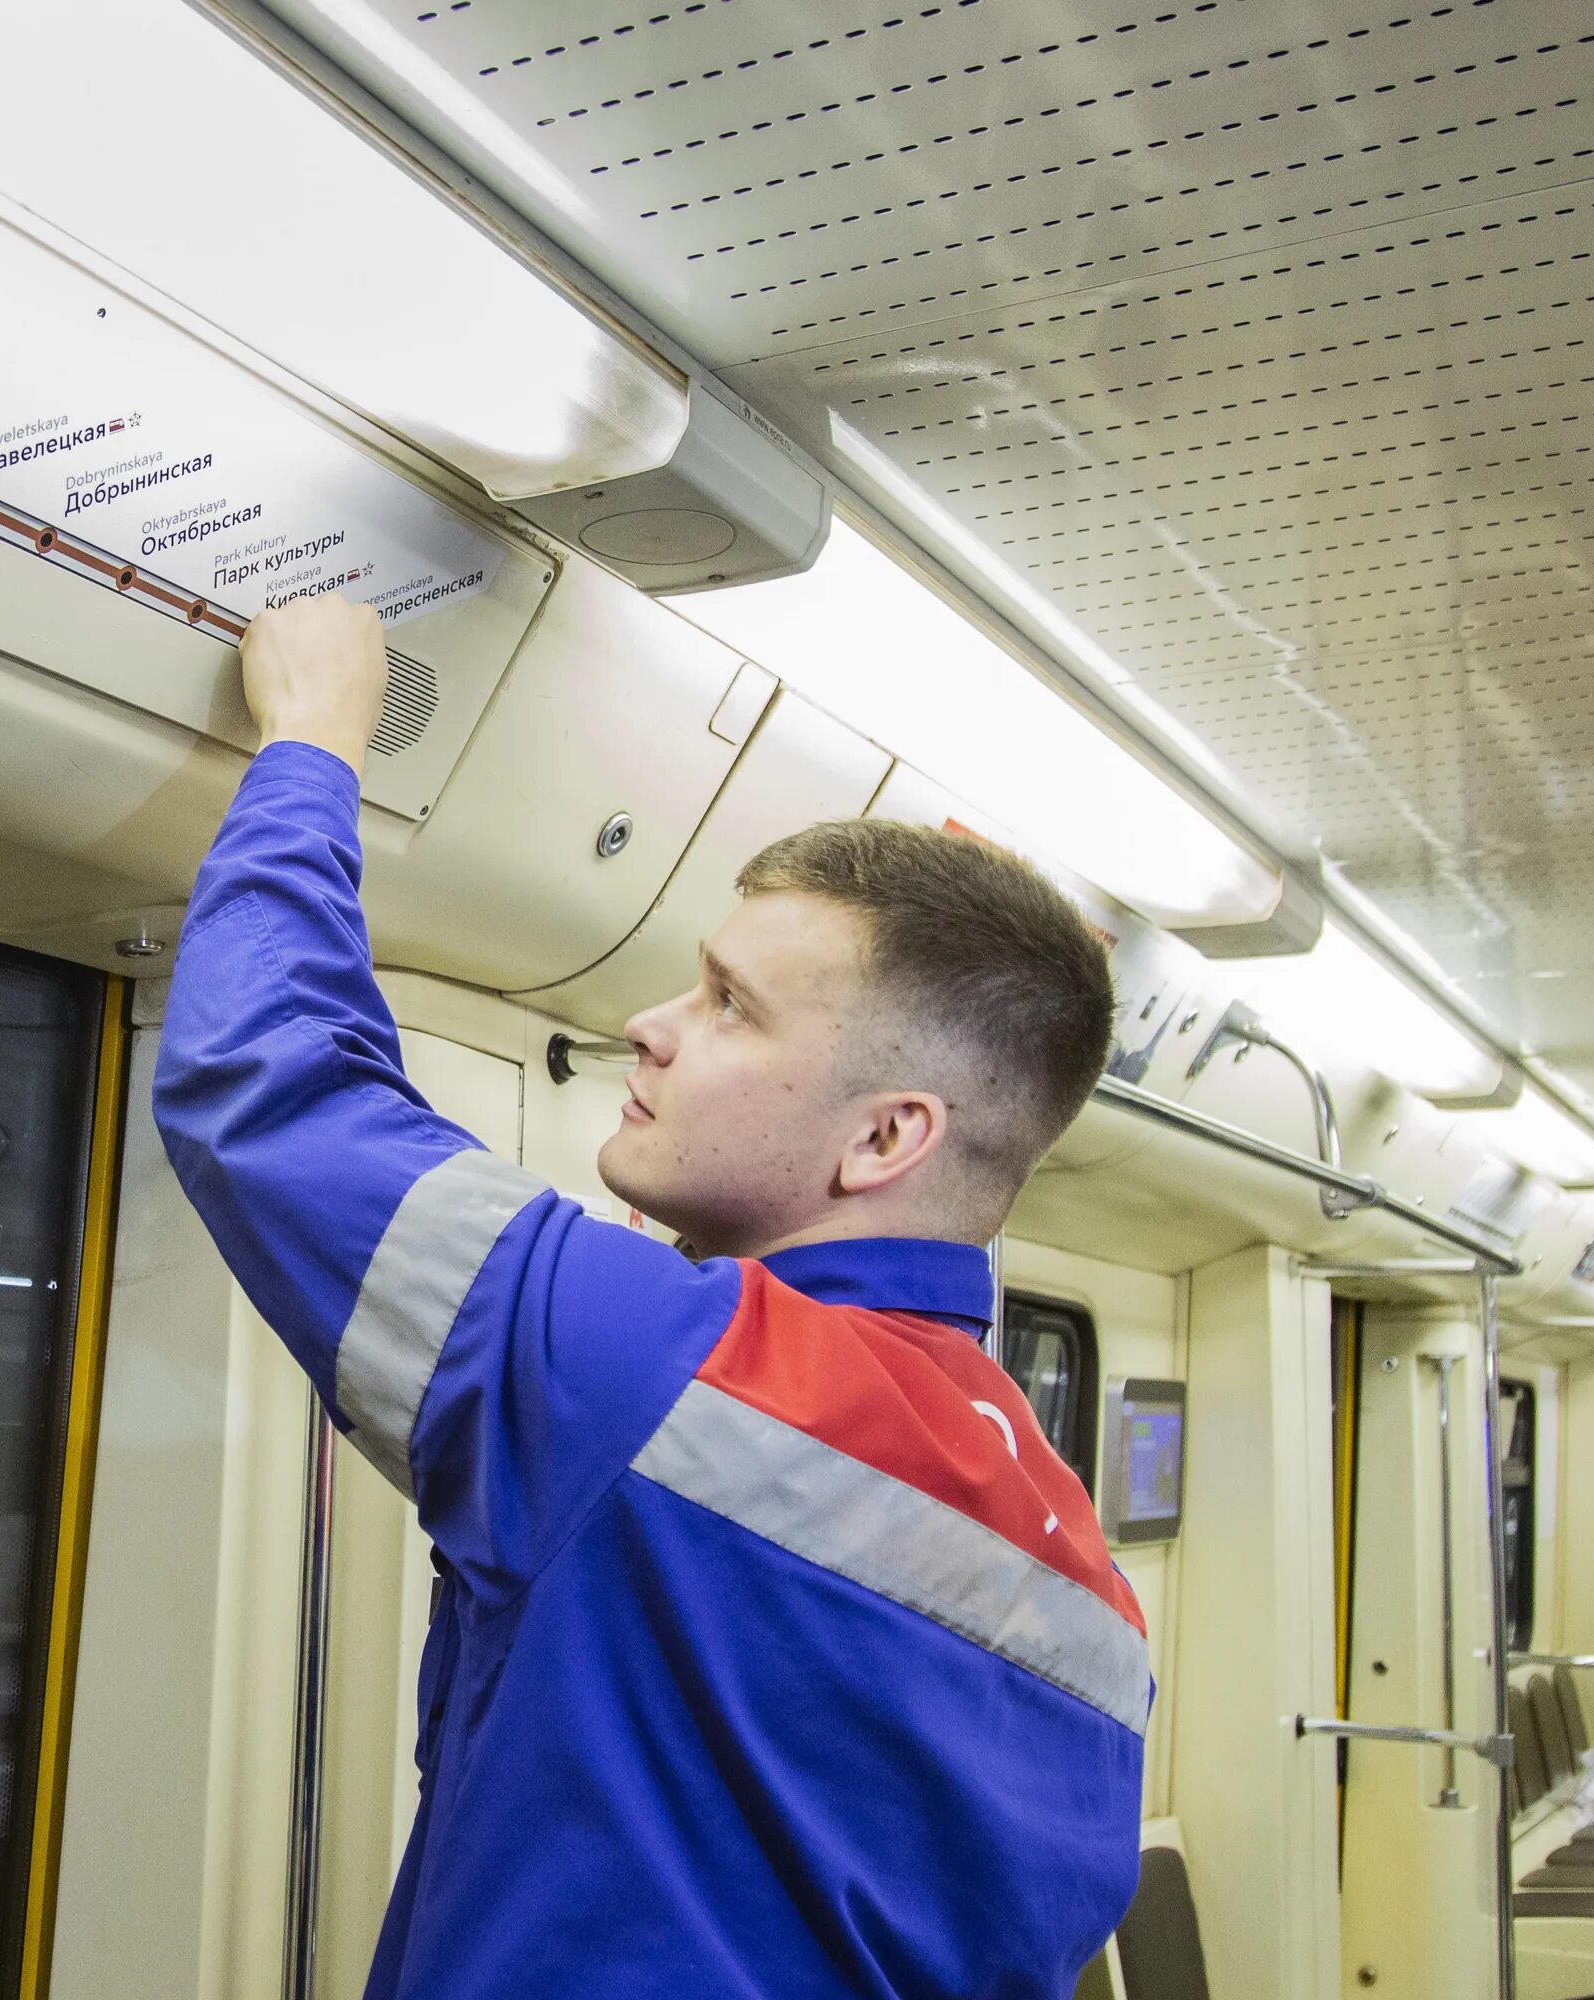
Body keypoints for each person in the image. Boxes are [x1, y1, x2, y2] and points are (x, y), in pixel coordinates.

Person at [152, 596, 1147, 1998]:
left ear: (885, 1139)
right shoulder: (1091, 1590)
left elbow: (270, 1089)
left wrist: (312, 743)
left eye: (731, 1005)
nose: (651, 1026)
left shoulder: (676, 1369)